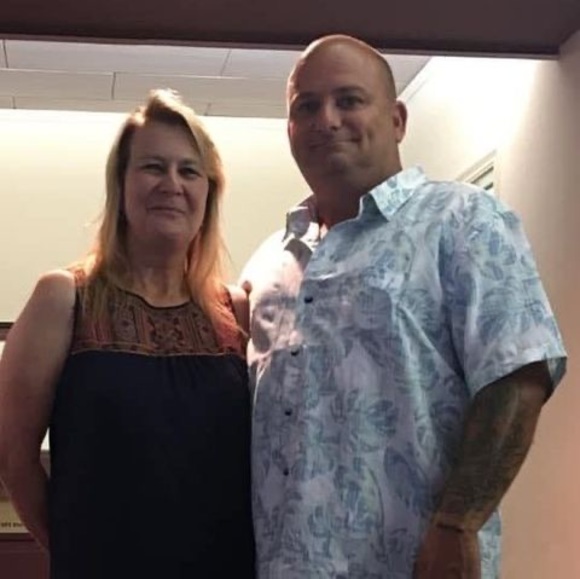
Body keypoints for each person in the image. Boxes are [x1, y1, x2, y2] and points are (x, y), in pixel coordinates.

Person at [240, 34, 567, 578]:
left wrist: (457, 523)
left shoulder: (463, 220)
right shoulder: (267, 266)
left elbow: (518, 376)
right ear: (290, 129)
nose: (327, 120)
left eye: (348, 100)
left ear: (396, 120)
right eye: (307, 106)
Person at [0, 89, 255, 578]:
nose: (172, 184)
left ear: (209, 192)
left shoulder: (234, 309)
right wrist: (76, 550)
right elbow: (14, 458)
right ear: (121, 184)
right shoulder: (63, 298)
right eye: (153, 167)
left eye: (189, 171)